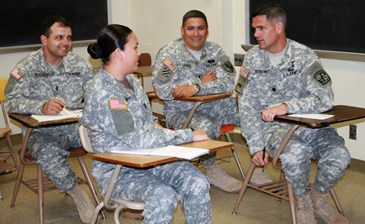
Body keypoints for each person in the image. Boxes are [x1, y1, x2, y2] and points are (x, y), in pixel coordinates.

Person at [81, 24, 212, 224]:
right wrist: (188, 135)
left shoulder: (132, 81)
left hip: (150, 158)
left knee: (198, 182)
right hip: (118, 171)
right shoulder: (103, 93)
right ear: (119, 53)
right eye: (135, 47)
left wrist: (163, 134)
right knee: (163, 195)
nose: (139, 53)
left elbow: (148, 121)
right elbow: (138, 138)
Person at [237, 4, 350, 224]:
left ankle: (317, 197)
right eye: (254, 29)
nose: (255, 34)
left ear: (279, 27)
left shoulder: (304, 55)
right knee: (295, 153)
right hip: (273, 129)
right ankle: (302, 201)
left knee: (340, 156)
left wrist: (287, 106)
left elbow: (324, 98)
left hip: (309, 126)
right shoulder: (252, 59)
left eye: (261, 28)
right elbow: (247, 106)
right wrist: (255, 145)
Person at [152, 9, 272, 193]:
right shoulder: (169, 54)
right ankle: (211, 169)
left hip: (219, 106)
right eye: (190, 28)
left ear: (207, 30)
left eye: (200, 28)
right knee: (207, 128)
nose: (196, 33)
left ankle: (257, 166)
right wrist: (201, 81)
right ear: (182, 30)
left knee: (257, 114)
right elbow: (164, 89)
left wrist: (194, 88)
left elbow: (228, 83)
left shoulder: (216, 50)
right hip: (183, 112)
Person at [5, 15, 96, 223]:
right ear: (44, 40)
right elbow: (11, 102)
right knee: (49, 152)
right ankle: (77, 194)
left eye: (69, 38)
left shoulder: (78, 64)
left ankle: (117, 193)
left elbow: (96, 90)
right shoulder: (27, 66)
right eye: (59, 37)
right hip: (42, 132)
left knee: (111, 137)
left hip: (75, 128)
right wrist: (41, 107)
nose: (66, 43)